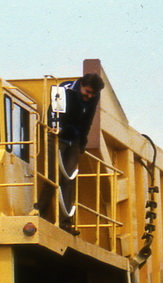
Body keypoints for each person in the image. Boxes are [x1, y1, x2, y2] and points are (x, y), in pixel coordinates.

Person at [37, 72, 105, 232]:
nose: (89, 96)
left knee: (69, 178)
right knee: (53, 176)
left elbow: (88, 119)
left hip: (74, 138)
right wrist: (57, 129)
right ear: (81, 85)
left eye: (93, 94)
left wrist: (82, 141)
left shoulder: (94, 97)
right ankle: (40, 211)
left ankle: (66, 221)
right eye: (87, 92)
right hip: (57, 136)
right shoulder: (64, 89)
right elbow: (53, 112)